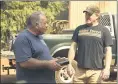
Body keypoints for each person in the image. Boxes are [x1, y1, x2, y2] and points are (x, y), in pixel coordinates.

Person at [67, 5, 113, 83]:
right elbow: (73, 47)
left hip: (96, 73)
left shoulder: (104, 30)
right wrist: (69, 63)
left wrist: (107, 68)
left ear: (97, 16)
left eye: (90, 14)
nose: (87, 16)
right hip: (79, 71)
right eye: (86, 14)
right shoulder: (79, 29)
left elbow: (108, 51)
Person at [13, 11, 62, 83]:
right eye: (45, 23)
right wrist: (48, 64)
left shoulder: (39, 37)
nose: (47, 25)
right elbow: (24, 62)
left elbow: (41, 55)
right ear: (36, 25)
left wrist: (54, 60)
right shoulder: (23, 38)